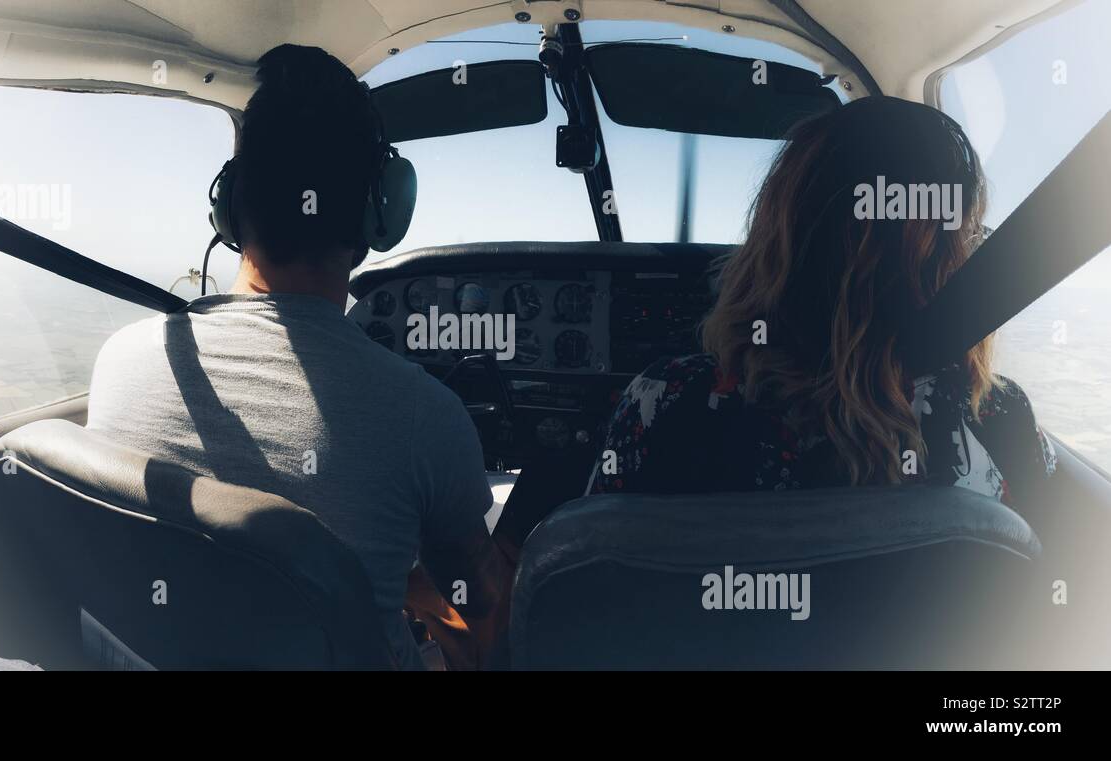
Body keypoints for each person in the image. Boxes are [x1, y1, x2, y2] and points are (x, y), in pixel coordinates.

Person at [87, 44, 511, 669]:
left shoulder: (120, 361)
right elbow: (483, 607)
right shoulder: (424, 415)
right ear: (379, 210)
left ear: (230, 204)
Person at [589, 96, 1056, 508]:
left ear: (776, 240)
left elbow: (595, 570)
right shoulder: (999, 416)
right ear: (951, 256)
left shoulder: (665, 402)